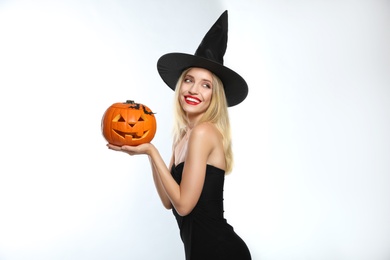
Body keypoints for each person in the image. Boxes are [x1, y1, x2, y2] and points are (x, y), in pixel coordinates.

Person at [107, 10, 252, 260]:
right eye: (188, 80)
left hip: (221, 252)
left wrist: (152, 151)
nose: (194, 89)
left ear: (214, 96)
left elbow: (184, 206)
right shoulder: (184, 135)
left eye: (206, 85)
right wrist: (149, 152)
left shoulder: (204, 132)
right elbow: (168, 200)